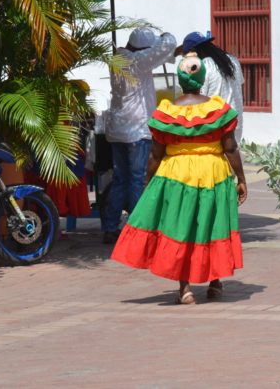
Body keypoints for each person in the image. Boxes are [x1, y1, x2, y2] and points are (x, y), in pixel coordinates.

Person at [110, 54, 247, 305]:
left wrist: (148, 180)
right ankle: (215, 284)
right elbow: (230, 147)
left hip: (176, 175)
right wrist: (241, 178)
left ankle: (185, 289)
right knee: (212, 224)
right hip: (213, 173)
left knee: (181, 226)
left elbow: (155, 153)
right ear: (202, 78)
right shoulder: (218, 110)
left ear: (180, 80)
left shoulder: (167, 113)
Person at [101, 27, 177, 244]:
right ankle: (137, 229)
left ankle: (110, 227)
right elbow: (168, 44)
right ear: (144, 49)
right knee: (137, 180)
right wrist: (164, 35)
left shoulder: (118, 59)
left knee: (120, 180)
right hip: (135, 130)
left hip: (116, 129)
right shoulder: (137, 61)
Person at [181, 31, 244, 144]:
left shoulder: (203, 66)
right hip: (235, 123)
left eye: (185, 55)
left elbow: (198, 100)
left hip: (216, 126)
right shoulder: (233, 60)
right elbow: (240, 85)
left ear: (192, 51)